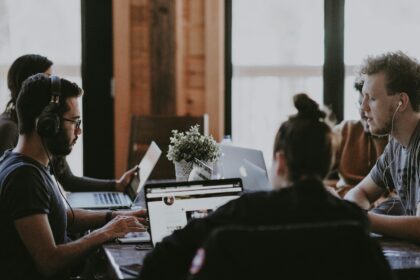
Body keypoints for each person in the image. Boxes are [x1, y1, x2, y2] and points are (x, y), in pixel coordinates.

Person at [139, 93, 368, 280]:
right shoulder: (353, 221)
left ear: (280, 163)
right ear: (328, 162)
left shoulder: (243, 211)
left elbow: (158, 260)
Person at [0, 73, 147, 279]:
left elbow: (61, 216)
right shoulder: (24, 177)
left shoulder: (24, 163)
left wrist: (114, 217)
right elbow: (49, 262)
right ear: (47, 124)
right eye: (75, 121)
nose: (79, 130)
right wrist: (106, 233)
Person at [0, 54, 135, 192]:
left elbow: (68, 180)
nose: (54, 87)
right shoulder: (9, 129)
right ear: (29, 83)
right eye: (47, 78)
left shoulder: (51, 126)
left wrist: (116, 185)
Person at [345, 51, 420, 242]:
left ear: (401, 102)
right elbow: (359, 192)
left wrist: (361, 218)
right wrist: (357, 214)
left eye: (372, 98)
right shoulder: (396, 145)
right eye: (363, 98)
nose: (363, 108)